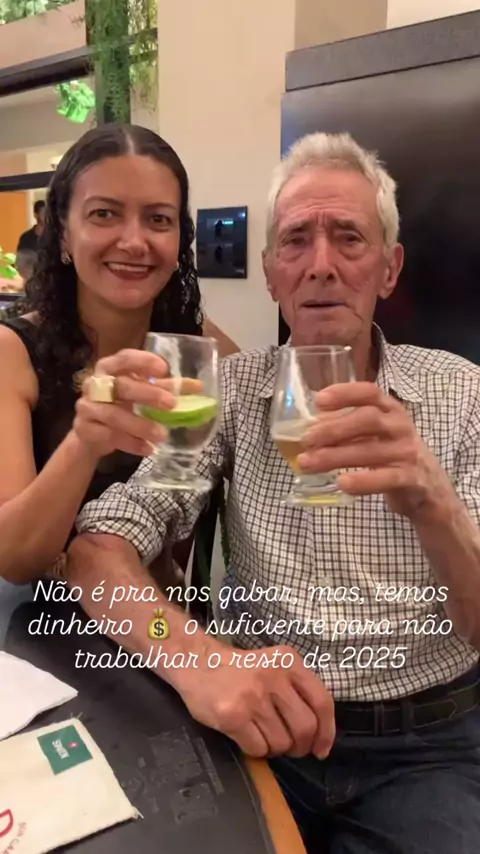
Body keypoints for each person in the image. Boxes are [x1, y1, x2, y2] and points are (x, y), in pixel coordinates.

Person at [67, 132, 480, 852]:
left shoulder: (463, 394)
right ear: (270, 275)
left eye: (348, 237)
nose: (320, 264)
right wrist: (195, 658)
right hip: (260, 726)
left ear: (388, 269)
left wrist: (433, 504)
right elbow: (97, 553)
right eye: (295, 240)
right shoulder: (224, 391)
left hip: (426, 746)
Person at [0, 123, 238, 586]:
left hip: (160, 615)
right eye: (104, 214)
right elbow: (13, 561)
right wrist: (84, 443)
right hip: (41, 619)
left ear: (179, 240)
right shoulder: (13, 352)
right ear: (63, 235)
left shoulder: (198, 347)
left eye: (158, 219)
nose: (133, 241)